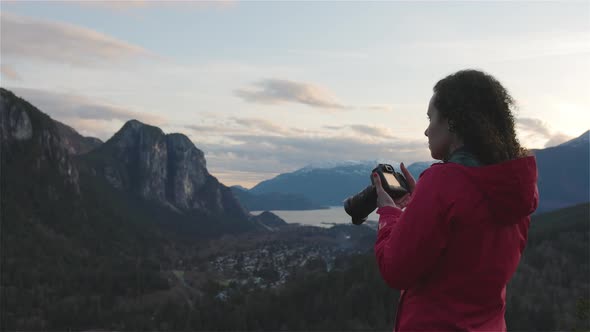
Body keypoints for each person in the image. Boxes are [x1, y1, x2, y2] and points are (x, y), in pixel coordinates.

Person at [373, 69, 539, 332]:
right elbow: (467, 255)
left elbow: (395, 269)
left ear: (451, 121)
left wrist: (389, 215)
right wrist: (420, 204)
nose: (427, 130)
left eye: (430, 118)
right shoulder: (514, 189)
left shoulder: (442, 183)